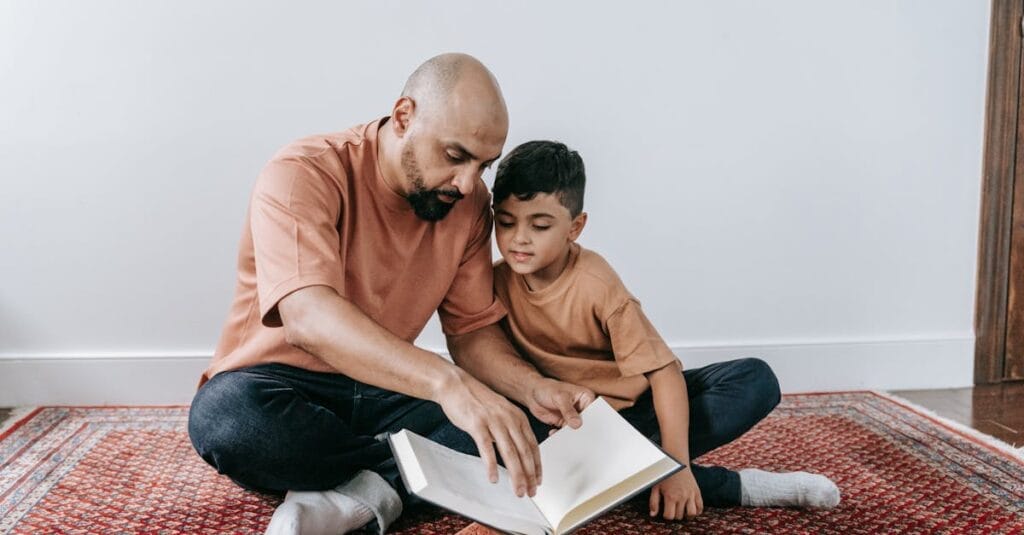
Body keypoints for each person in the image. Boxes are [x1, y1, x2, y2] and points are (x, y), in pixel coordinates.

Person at [187, 54, 594, 535]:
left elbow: (472, 332)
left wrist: (533, 390)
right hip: (279, 386)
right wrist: (448, 385)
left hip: (386, 389)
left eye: (483, 165)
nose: (468, 184)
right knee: (227, 421)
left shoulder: (469, 203)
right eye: (455, 156)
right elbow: (308, 318)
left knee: (517, 423)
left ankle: (350, 490)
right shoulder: (303, 172)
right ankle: (402, 476)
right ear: (404, 117)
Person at [490, 140, 841, 521]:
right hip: (562, 426)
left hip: (632, 416)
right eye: (506, 223)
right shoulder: (491, 282)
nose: (518, 239)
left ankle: (642, 470)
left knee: (755, 379)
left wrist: (677, 464)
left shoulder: (595, 282)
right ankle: (729, 485)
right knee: (471, 444)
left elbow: (664, 373)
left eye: (539, 226)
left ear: (575, 227)